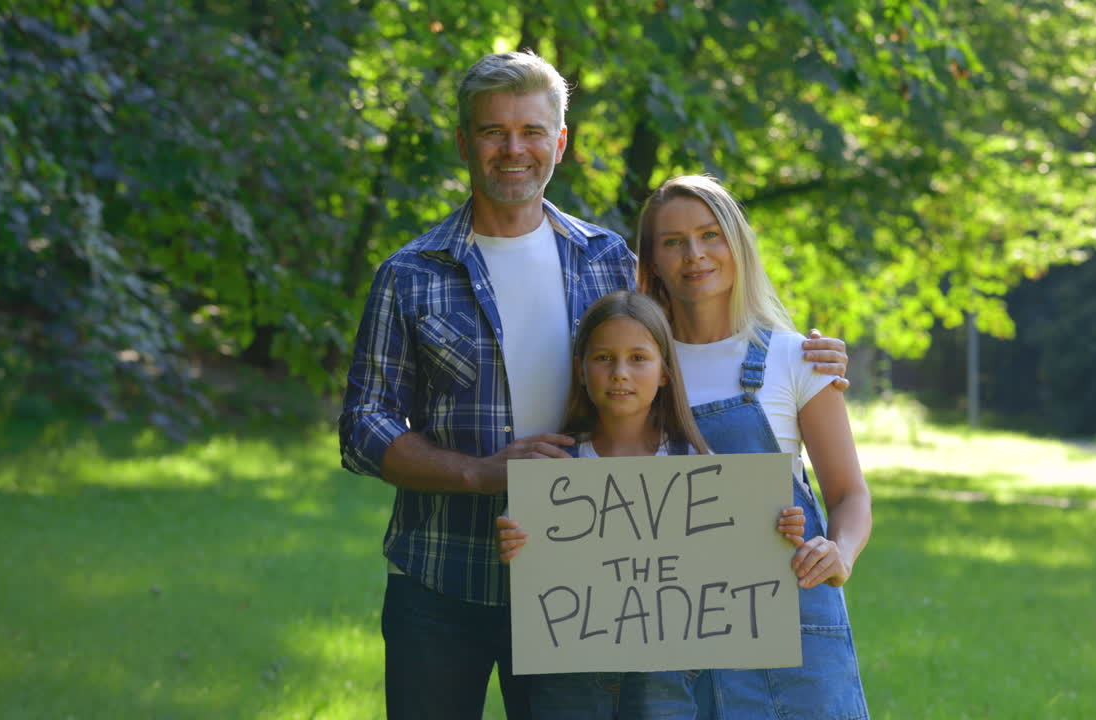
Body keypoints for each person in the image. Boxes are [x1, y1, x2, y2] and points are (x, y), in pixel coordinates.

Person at [338, 49, 849, 720]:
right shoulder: (410, 274)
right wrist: (482, 474)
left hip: (587, 588)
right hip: (441, 578)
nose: (513, 149)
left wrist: (798, 352)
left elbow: (688, 339)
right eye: (493, 132)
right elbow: (363, 428)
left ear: (559, 143)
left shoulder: (607, 260)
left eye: (531, 132)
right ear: (464, 143)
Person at [496, 290, 812, 718]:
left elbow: (726, 560)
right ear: (581, 370)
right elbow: (533, 570)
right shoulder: (553, 467)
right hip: (569, 680)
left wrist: (773, 535)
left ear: (665, 371)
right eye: (603, 358)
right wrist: (515, 544)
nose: (620, 373)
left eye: (638, 358)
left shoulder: (697, 464)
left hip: (665, 681)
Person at [630, 174, 872, 719]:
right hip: (669, 632)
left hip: (787, 625)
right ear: (653, 262)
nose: (694, 254)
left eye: (709, 235)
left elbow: (849, 494)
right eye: (673, 242)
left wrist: (841, 551)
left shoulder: (797, 358)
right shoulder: (635, 367)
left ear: (737, 243)